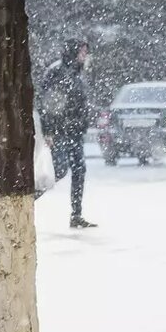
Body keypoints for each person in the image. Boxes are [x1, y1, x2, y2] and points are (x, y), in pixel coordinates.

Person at [40, 39, 97, 228]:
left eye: (85, 52)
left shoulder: (77, 73)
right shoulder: (58, 72)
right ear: (73, 53)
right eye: (82, 52)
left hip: (75, 132)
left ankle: (76, 215)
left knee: (79, 171)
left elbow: (80, 103)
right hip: (59, 131)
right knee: (59, 170)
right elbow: (48, 103)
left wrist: (83, 123)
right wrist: (48, 131)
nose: (84, 56)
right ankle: (27, 199)